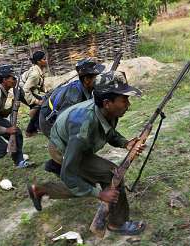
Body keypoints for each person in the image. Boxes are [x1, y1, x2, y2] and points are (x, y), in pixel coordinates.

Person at [27, 71, 146, 235]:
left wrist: (126, 143)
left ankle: (39, 190)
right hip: (63, 149)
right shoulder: (83, 126)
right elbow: (69, 173)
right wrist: (100, 194)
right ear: (107, 103)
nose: (128, 104)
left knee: (86, 184)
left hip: (76, 146)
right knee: (110, 174)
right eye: (124, 99)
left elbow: (108, 132)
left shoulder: (108, 111)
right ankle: (117, 223)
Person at [39, 57, 105, 138]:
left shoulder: (86, 87)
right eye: (97, 77)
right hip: (49, 121)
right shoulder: (73, 99)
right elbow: (63, 122)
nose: (101, 79)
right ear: (87, 79)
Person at [21, 50, 47, 137]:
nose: (46, 60)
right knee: (41, 105)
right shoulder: (35, 74)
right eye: (44, 59)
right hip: (20, 91)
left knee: (43, 101)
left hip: (26, 90)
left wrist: (47, 92)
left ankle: (37, 127)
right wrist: (36, 101)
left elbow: (39, 85)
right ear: (39, 61)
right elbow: (25, 89)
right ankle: (29, 131)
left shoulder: (40, 70)